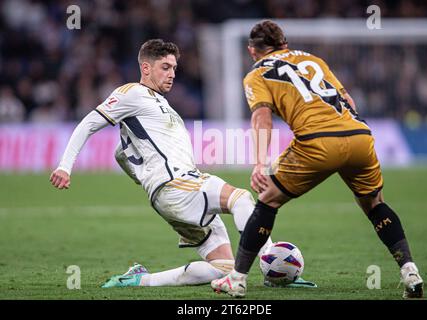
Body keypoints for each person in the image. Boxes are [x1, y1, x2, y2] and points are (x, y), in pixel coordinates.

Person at [211, 20, 424, 298]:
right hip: (359, 135)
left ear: (252, 51)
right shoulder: (313, 60)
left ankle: (237, 280)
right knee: (375, 204)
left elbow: (262, 117)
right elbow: (347, 98)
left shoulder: (256, 74)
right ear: (284, 43)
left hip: (317, 143)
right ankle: (409, 270)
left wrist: (260, 163)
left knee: (268, 201)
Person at [50, 39, 274, 288]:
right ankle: (272, 266)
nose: (172, 74)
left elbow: (120, 154)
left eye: (174, 68)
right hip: (178, 185)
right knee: (241, 198)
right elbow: (89, 123)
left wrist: (144, 178)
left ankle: (140, 280)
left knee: (222, 268)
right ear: (146, 68)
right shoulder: (132, 93)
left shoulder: (159, 104)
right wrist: (64, 166)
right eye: (165, 67)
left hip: (168, 195)